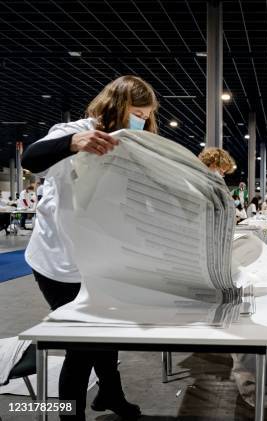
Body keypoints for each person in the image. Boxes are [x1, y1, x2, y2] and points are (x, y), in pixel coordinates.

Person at [20, 75, 156, 421]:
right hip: (58, 261)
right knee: (82, 346)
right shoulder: (74, 130)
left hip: (102, 260)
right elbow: (31, 160)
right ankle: (71, 415)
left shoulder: (136, 143)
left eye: (146, 114)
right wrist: (73, 142)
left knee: (105, 335)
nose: (141, 119)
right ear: (117, 107)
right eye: (136, 112)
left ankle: (110, 394)